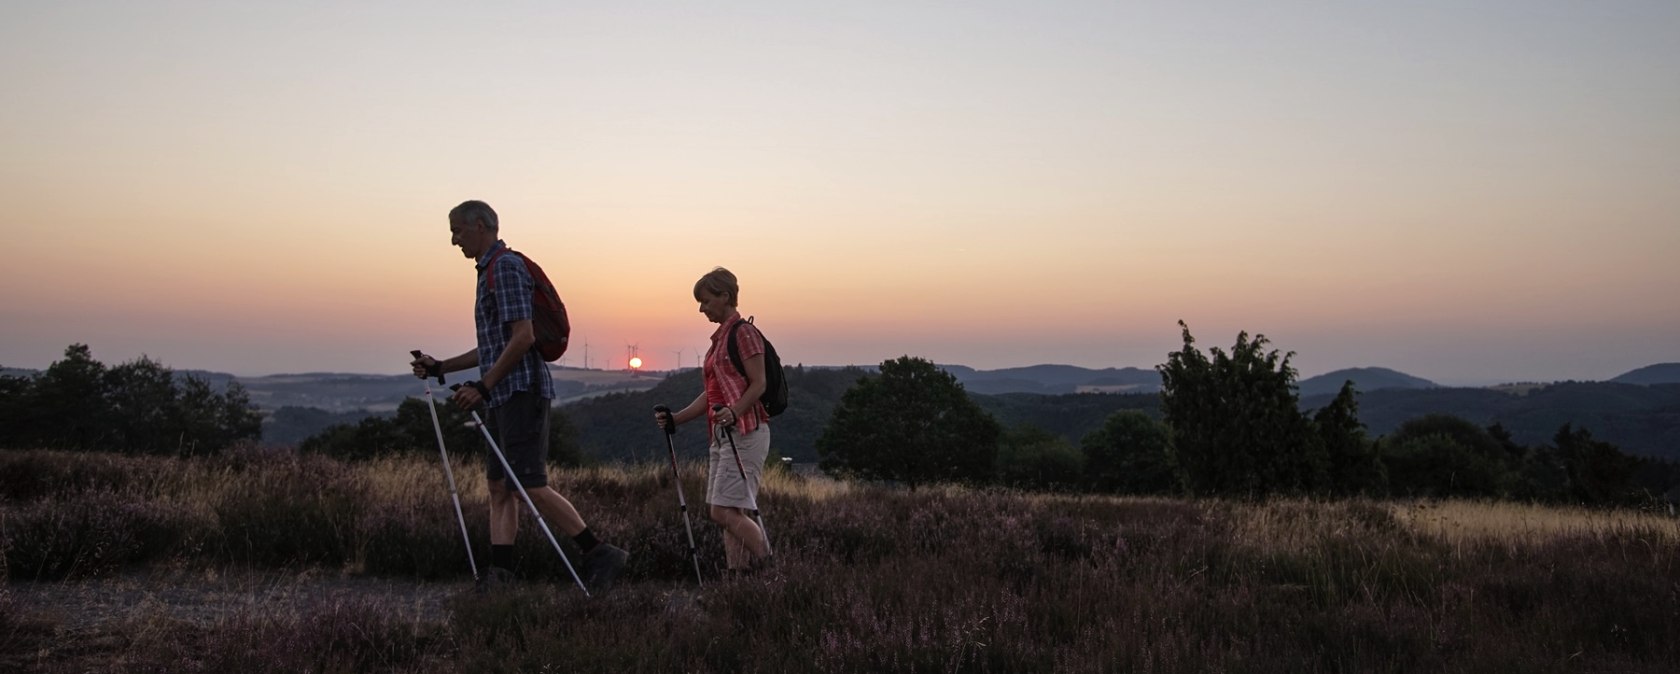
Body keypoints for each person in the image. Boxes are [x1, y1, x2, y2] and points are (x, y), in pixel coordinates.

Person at [411, 199, 627, 592]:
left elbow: (523, 336)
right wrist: (442, 367)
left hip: (521, 392)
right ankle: (502, 576)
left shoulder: (504, 267)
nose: (454, 241)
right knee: (499, 486)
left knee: (528, 482)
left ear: (481, 226)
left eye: (457, 231)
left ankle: (599, 552)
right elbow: (492, 345)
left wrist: (483, 386)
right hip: (502, 395)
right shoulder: (488, 271)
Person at [654, 267, 774, 575]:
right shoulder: (719, 341)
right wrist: (676, 420)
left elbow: (758, 383)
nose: (701, 308)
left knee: (721, 511)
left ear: (725, 297)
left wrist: (734, 412)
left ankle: (769, 569)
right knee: (731, 510)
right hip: (723, 436)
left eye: (706, 301)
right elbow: (711, 395)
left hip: (746, 433)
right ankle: (738, 584)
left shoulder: (743, 334)